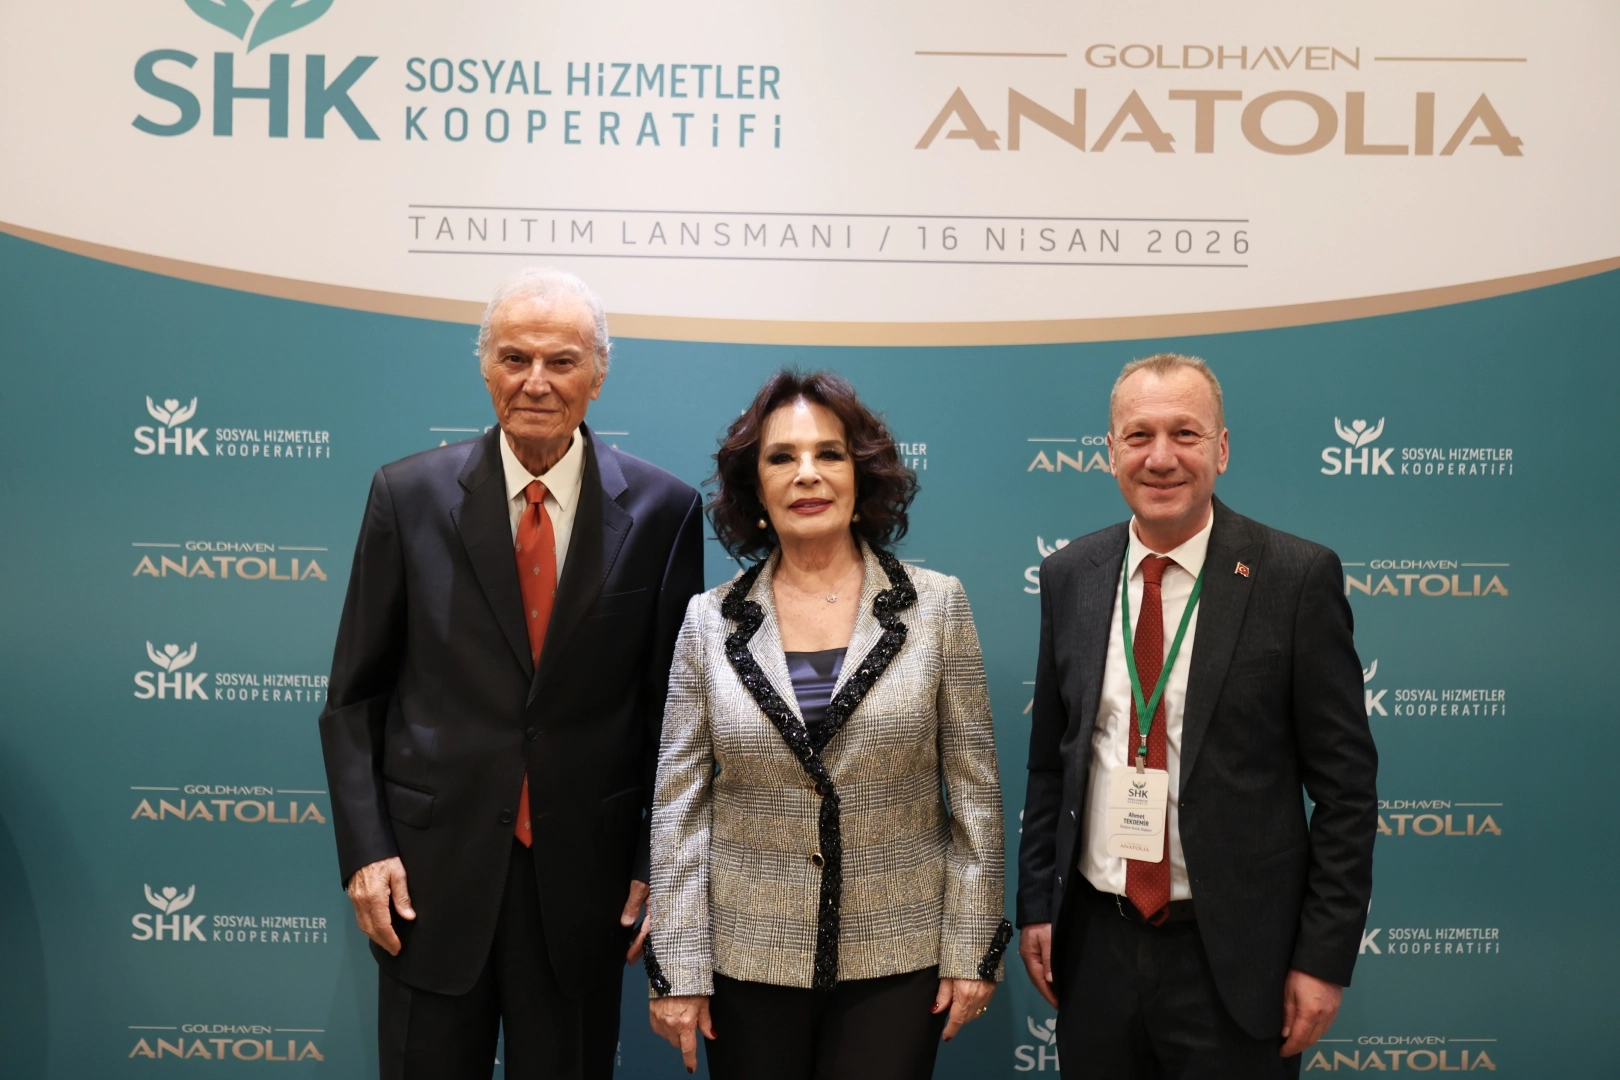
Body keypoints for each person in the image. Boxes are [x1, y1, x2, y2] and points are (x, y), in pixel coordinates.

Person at [318, 268, 705, 1080]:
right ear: (485, 367)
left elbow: (671, 718)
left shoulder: (665, 512)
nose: (536, 381)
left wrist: (653, 861)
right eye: (514, 358)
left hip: (584, 888)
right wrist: (366, 851)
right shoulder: (406, 496)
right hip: (427, 881)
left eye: (562, 361)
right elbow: (354, 699)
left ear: (598, 374)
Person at [1016, 354, 1377, 1079]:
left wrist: (1322, 958)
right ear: (1110, 451)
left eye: (1185, 433)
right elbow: (1052, 763)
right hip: (1096, 950)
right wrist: (1037, 907)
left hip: (1237, 963)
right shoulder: (1070, 575)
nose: (1161, 458)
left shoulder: (1294, 578)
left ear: (1222, 448)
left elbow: (1346, 794)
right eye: (1139, 435)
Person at [644, 370, 1012, 1079]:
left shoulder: (936, 606)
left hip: (899, 954)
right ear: (755, 487)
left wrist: (972, 946)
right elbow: (678, 809)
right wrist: (679, 967)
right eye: (782, 457)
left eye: (829, 454)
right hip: (746, 958)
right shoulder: (708, 621)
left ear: (859, 475)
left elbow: (975, 794)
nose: (807, 474)